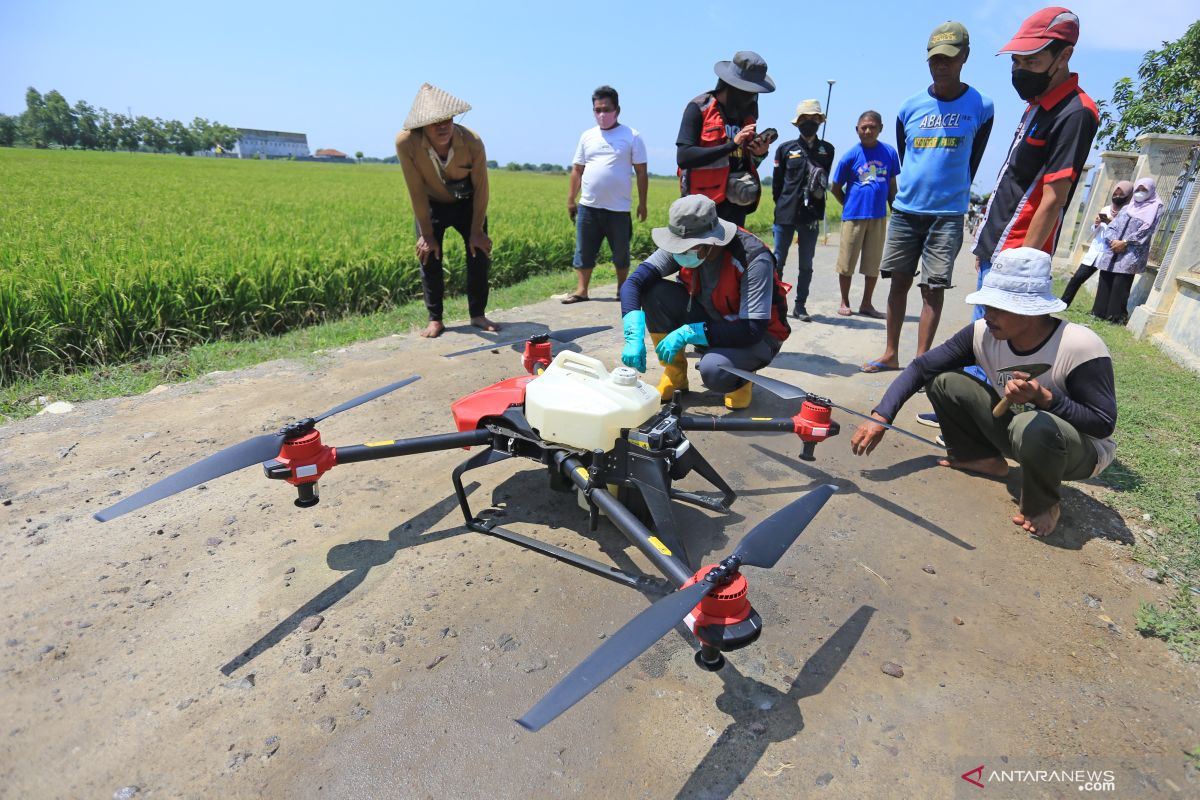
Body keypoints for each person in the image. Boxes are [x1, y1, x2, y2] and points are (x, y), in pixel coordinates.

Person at [850, 247, 1116, 538]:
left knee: (1034, 424)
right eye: (986, 305)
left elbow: (1102, 423)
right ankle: (978, 457)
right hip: (1018, 433)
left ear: (1029, 310)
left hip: (1079, 453)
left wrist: (1045, 399)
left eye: (997, 307)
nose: (986, 314)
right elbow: (922, 368)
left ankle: (1044, 503)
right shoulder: (982, 333)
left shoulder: (1079, 346)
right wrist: (881, 416)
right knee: (945, 381)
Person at [862, 21, 994, 374]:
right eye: (935, 59)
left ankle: (920, 363)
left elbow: (973, 157)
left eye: (949, 58)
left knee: (932, 289)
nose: (942, 65)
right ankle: (891, 353)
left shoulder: (981, 106)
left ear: (964, 57)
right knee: (898, 283)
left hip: (948, 214)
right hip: (906, 210)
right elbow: (907, 159)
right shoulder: (909, 107)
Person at [971, 6, 1098, 340]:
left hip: (1015, 257)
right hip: (996, 251)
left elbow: (1053, 198)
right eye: (1016, 61)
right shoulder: (1037, 105)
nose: (1020, 70)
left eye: (1032, 62)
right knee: (980, 346)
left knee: (990, 353)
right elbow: (1012, 180)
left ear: (1064, 55)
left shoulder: (1075, 113)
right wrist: (986, 246)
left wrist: (1017, 268)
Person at [619, 195, 791, 410]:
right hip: (711, 317)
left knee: (715, 371)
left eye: (686, 247)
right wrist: (633, 336)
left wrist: (689, 332)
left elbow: (753, 329)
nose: (679, 252)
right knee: (653, 291)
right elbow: (633, 283)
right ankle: (675, 373)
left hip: (755, 336)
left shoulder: (753, 258)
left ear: (710, 241)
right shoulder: (683, 245)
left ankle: (742, 377)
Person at [396, 83, 497, 338]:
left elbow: (482, 188)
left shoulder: (472, 142)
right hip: (431, 203)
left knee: (479, 252)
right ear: (422, 126)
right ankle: (435, 319)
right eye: (434, 122)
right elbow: (415, 190)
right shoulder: (406, 143)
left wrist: (476, 230)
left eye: (447, 120)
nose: (443, 126)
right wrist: (426, 234)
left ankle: (477, 314)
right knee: (428, 254)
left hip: (468, 203)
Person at [564, 85, 649, 304]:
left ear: (617, 110)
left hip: (619, 208)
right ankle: (581, 290)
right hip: (589, 205)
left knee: (621, 252)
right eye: (597, 110)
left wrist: (643, 203)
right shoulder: (587, 136)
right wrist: (571, 198)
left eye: (606, 109)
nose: (601, 115)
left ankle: (623, 289)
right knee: (584, 250)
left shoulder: (631, 136)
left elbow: (641, 171)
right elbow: (577, 169)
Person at [677, 51, 776, 229]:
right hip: (701, 206)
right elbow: (684, 157)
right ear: (733, 86)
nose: (753, 97)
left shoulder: (747, 116)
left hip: (735, 205)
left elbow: (742, 162)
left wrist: (759, 154)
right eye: (749, 91)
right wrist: (731, 145)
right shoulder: (699, 108)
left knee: (730, 257)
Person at [830, 111, 899, 318]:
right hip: (853, 216)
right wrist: (847, 204)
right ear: (857, 129)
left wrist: (894, 211)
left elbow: (892, 185)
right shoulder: (850, 155)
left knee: (872, 263)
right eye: (863, 127)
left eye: (872, 127)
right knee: (847, 262)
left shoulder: (889, 153)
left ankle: (867, 304)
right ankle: (845, 301)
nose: (868, 131)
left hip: (878, 217)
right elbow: (835, 187)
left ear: (880, 129)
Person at [772, 99, 835, 322]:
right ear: (797, 123)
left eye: (813, 119)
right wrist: (781, 207)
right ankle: (776, 304)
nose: (808, 123)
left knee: (806, 264)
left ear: (819, 121)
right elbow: (777, 185)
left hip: (811, 214)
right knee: (777, 261)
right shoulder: (785, 149)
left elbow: (822, 181)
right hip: (785, 213)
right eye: (804, 119)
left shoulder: (827, 150)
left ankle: (800, 306)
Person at [1091, 177, 1165, 322]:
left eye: (1144, 190)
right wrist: (1113, 240)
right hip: (1113, 248)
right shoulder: (1127, 207)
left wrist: (1125, 242)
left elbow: (1148, 230)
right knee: (1105, 278)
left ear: (1151, 191)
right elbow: (1113, 225)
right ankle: (1098, 312)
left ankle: (1115, 317)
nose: (1140, 193)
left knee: (1121, 283)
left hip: (1131, 252)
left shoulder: (1155, 207)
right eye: (1138, 189)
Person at [1060, 180, 1132, 307]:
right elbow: (1095, 230)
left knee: (1105, 285)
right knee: (1077, 278)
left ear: (1128, 195)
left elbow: (1124, 234)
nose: (1117, 197)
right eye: (1115, 193)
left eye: (1121, 195)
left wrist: (1112, 222)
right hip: (1095, 251)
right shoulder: (1106, 208)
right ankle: (1063, 303)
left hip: (1110, 253)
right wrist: (1097, 224)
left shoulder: (1127, 213)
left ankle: (1098, 311)